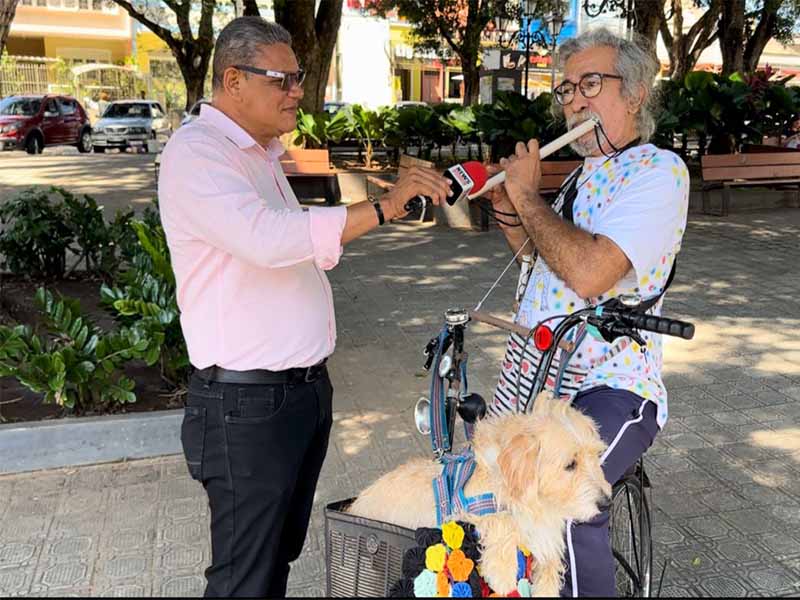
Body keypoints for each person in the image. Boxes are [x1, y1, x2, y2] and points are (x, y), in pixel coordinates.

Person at [157, 17, 451, 598]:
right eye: (283, 80)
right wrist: (386, 206)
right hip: (247, 405)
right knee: (246, 575)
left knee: (276, 558)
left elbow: (293, 247)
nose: (298, 91)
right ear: (233, 80)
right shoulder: (198, 154)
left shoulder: (260, 153)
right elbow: (269, 239)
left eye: (298, 78)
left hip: (296, 395)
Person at [486, 28, 689, 596]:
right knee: (493, 487)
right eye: (567, 89)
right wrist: (511, 213)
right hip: (538, 374)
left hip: (612, 382)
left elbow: (590, 272)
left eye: (591, 84)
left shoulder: (658, 171)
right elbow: (544, 260)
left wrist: (528, 197)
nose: (574, 100)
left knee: (575, 504)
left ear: (637, 92)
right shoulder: (582, 172)